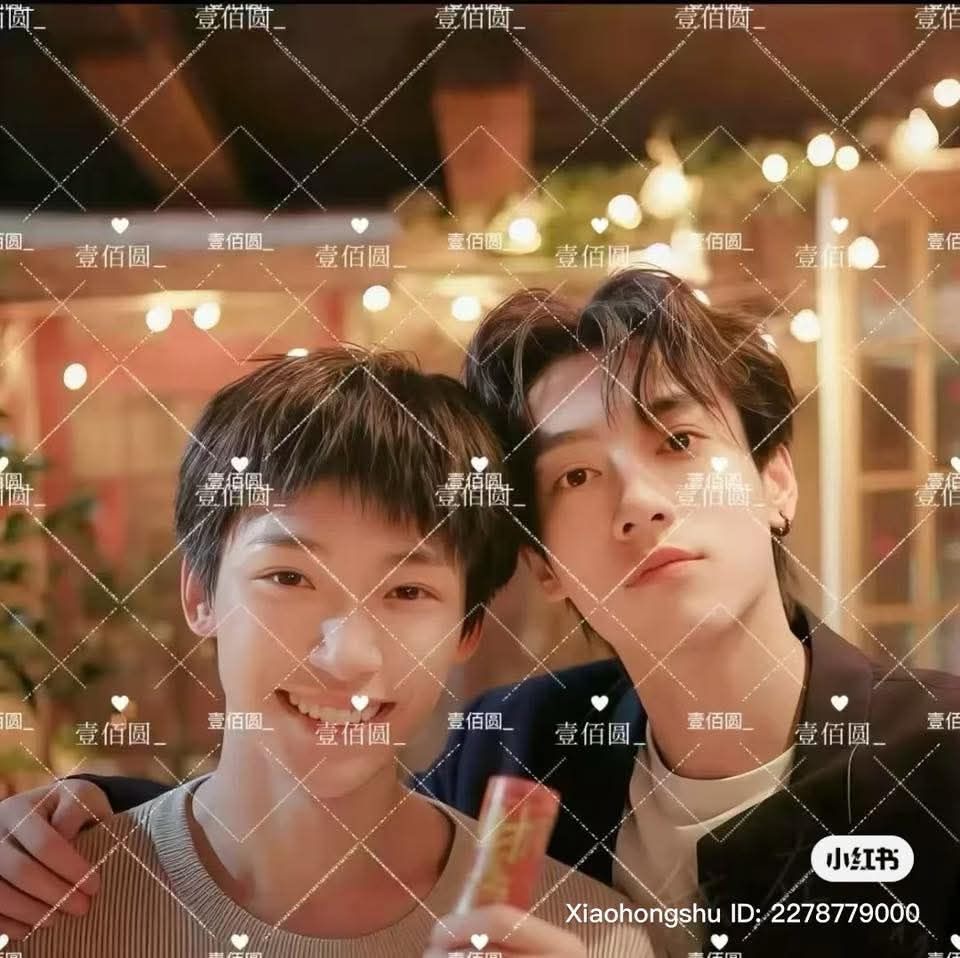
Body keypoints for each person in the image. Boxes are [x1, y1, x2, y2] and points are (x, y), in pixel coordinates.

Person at [4, 269, 959, 956]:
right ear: (539, 562)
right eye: (576, 474)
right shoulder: (521, 743)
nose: (638, 502)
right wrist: (85, 818)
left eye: (677, 440)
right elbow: (323, 798)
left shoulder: (939, 761)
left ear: (776, 479)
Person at [1, 347, 651, 957]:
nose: (347, 658)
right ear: (200, 594)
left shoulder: (587, 936)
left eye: (408, 591)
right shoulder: (37, 908)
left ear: (466, 628)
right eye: (288, 578)